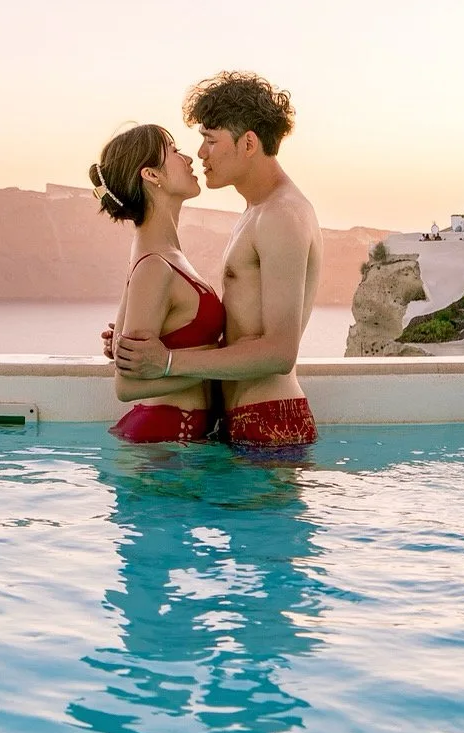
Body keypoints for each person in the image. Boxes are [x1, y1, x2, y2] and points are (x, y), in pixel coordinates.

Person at [115, 72, 321, 450]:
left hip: (269, 421)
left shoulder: (281, 215)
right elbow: (243, 325)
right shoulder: (255, 213)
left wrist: (166, 362)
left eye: (210, 140)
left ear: (248, 143)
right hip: (243, 421)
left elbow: (279, 351)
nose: (201, 153)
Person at [92, 124, 228, 443]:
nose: (189, 158)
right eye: (174, 151)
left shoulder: (163, 255)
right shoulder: (155, 264)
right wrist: (221, 357)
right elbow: (126, 386)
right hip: (162, 446)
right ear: (152, 175)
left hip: (173, 444)